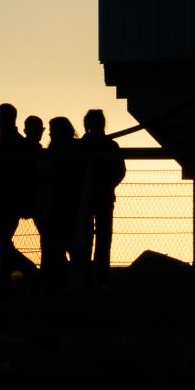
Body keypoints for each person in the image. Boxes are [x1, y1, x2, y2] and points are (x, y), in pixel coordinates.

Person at [0, 102, 39, 282]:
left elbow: (0, 177)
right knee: (2, 242)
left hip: (8, 200)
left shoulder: (7, 141)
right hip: (11, 199)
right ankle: (13, 276)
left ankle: (28, 271)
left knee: (1, 242)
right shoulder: (16, 140)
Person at [79, 108, 125, 280]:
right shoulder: (111, 145)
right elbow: (120, 171)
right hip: (103, 196)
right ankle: (100, 273)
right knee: (103, 236)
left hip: (86, 197)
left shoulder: (81, 146)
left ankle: (86, 272)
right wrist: (108, 186)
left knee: (85, 235)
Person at [44, 115, 85, 279]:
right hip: (74, 201)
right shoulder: (78, 147)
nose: (50, 134)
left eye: (52, 131)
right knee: (73, 241)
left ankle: (64, 276)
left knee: (59, 240)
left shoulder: (54, 150)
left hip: (60, 202)